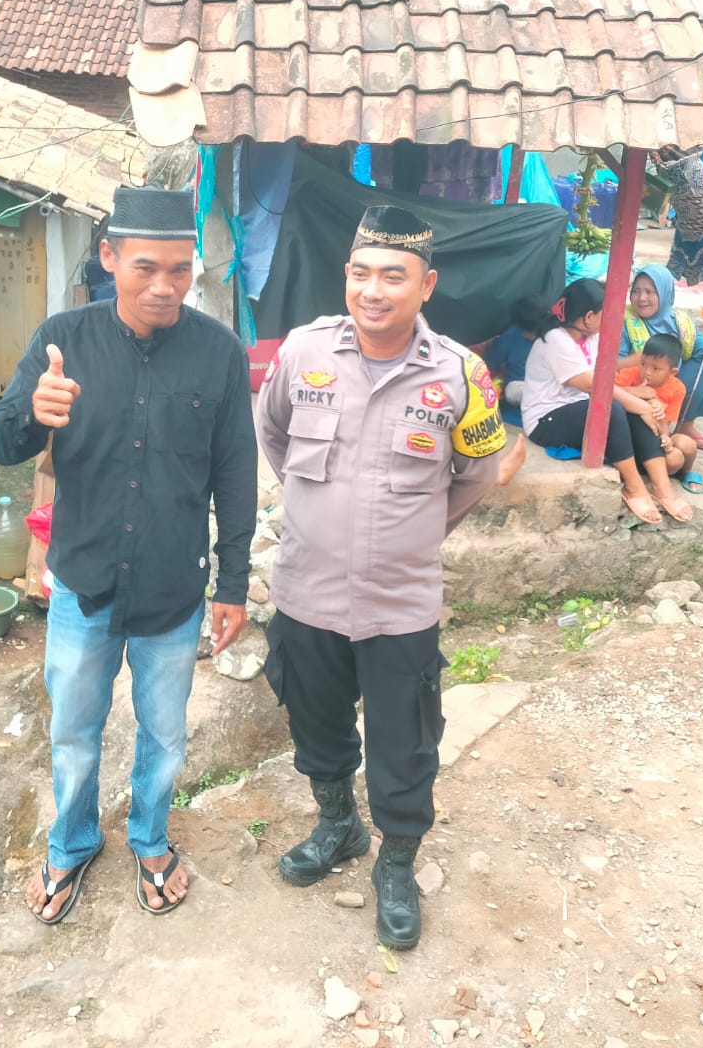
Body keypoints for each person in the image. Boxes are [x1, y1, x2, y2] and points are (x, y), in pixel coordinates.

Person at [0, 185, 257, 921]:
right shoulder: (63, 340)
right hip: (83, 584)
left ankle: (150, 838)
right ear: (109, 258)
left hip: (173, 589)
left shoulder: (219, 354)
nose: (164, 286)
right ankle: (71, 842)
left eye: (180, 269)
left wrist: (233, 583)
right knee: (74, 732)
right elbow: (1, 443)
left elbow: (236, 476)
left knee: (164, 736)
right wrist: (31, 413)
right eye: (145, 267)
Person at [256, 205, 506, 951]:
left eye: (393, 276)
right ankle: (338, 824)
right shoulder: (303, 352)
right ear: (346, 277)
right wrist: (321, 517)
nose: (374, 290)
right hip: (306, 591)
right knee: (316, 724)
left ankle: (396, 862)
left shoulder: (461, 374)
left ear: (425, 285)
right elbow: (272, 433)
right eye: (361, 273)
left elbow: (478, 473)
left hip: (400, 603)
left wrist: (412, 535)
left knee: (405, 743)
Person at [524, 278, 693, 525]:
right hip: (546, 420)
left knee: (632, 406)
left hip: (582, 405)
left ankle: (662, 488)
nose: (612, 319)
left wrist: (639, 399)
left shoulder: (591, 337)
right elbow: (593, 386)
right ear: (589, 317)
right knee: (613, 408)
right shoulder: (555, 340)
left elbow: (604, 379)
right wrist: (639, 404)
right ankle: (634, 487)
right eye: (607, 313)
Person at [618, 264, 703, 451]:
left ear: (665, 293)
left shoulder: (680, 322)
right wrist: (643, 360)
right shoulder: (624, 320)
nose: (641, 298)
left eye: (649, 292)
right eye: (636, 291)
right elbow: (614, 366)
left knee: (702, 366)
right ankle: (658, 430)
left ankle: (685, 426)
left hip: (666, 383)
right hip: (636, 385)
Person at [615, 333, 700, 491]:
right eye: (643, 364)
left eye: (656, 368)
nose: (647, 372)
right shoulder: (629, 374)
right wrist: (636, 392)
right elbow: (608, 392)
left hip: (657, 436)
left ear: (672, 372)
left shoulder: (677, 388)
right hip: (630, 440)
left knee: (686, 446)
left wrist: (665, 438)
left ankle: (686, 472)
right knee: (673, 461)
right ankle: (651, 474)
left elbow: (666, 424)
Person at [483, 297, 544, 408]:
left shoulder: (553, 335)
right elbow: (488, 364)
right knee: (512, 391)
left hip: (548, 382)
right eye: (528, 330)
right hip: (520, 386)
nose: (533, 335)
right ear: (520, 326)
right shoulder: (508, 338)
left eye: (536, 330)